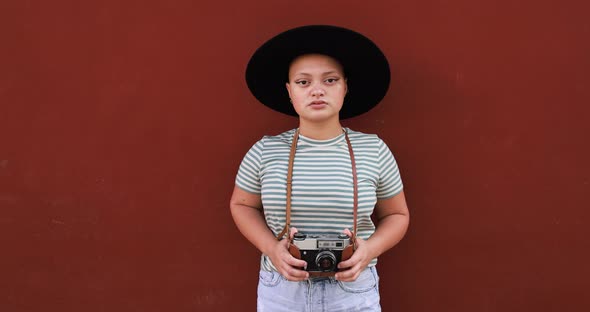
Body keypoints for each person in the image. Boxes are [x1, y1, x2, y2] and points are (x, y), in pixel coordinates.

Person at [230, 25, 410, 311]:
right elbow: (241, 205)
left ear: (345, 87)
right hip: (282, 291)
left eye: (330, 80)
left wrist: (369, 251)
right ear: (289, 91)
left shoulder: (373, 149)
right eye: (303, 82)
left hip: (353, 290)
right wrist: (271, 249)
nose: (317, 90)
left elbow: (397, 214)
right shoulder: (266, 150)